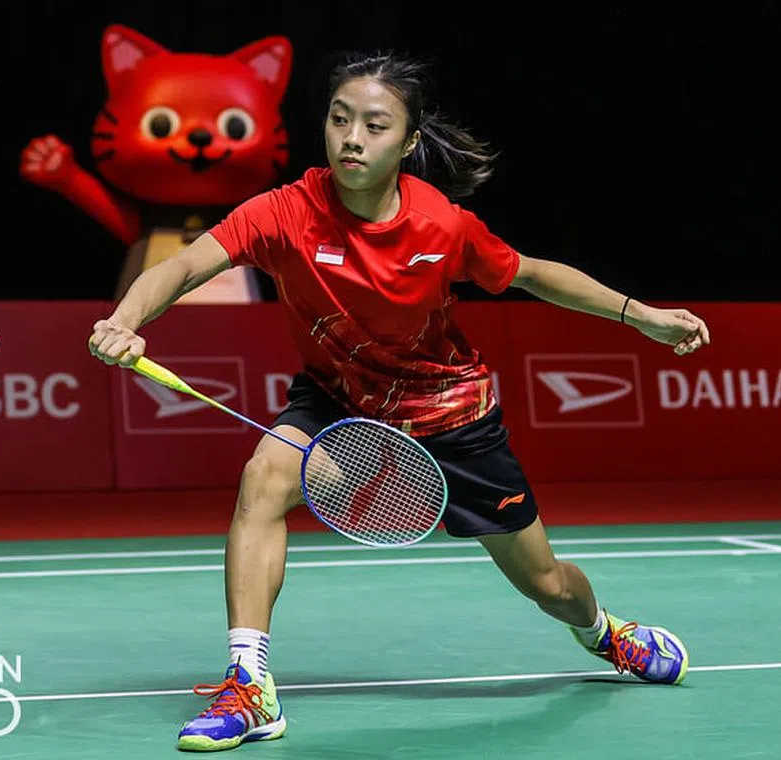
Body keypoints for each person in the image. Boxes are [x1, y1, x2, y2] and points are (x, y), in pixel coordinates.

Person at [88, 51, 710, 753]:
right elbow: (183, 265)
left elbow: (532, 274)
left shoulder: (441, 226)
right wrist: (126, 319)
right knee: (265, 478)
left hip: (450, 413)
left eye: (375, 126)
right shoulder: (285, 212)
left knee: (548, 584)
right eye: (339, 119)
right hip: (338, 401)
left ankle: (604, 633)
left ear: (409, 142)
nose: (352, 138)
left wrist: (642, 316)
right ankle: (249, 686)